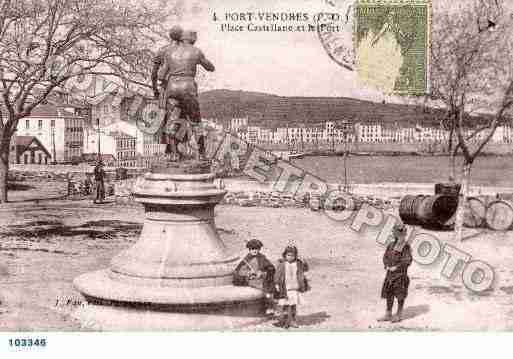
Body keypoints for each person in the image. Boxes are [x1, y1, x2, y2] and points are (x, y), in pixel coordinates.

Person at [151, 26, 215, 160]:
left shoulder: (168, 52)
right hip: (188, 88)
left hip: (172, 88)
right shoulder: (196, 51)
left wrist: (158, 88)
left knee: (173, 120)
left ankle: (173, 153)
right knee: (196, 121)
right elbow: (210, 68)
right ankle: (202, 154)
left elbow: (161, 74)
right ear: (184, 37)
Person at [378, 222, 413, 323]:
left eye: (398, 233)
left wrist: (396, 267)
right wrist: (387, 265)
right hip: (390, 274)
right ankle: (388, 314)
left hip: (400, 275)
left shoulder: (405, 246)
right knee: (389, 294)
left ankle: (399, 314)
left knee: (400, 295)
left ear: (402, 234)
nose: (396, 235)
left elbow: (407, 261)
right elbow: (385, 256)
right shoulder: (391, 245)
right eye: (395, 233)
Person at [233, 239, 276, 315]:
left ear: (259, 249)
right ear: (249, 249)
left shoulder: (262, 258)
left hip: (262, 277)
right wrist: (249, 273)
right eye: (253, 249)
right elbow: (239, 271)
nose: (255, 251)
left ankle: (270, 306)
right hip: (252, 280)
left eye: (257, 249)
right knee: (264, 287)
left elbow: (271, 268)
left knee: (269, 285)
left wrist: (262, 273)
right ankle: (269, 306)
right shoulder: (246, 259)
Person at [274, 245, 310, 329]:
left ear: (295, 256)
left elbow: (306, 268)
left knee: (293, 305)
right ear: (285, 255)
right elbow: (277, 275)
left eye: (292, 255)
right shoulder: (282, 264)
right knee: (285, 305)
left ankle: (293, 320)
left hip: (294, 288)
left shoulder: (298, 264)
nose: (290, 257)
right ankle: (284, 321)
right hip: (285, 288)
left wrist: (304, 261)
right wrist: (276, 284)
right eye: (288, 255)